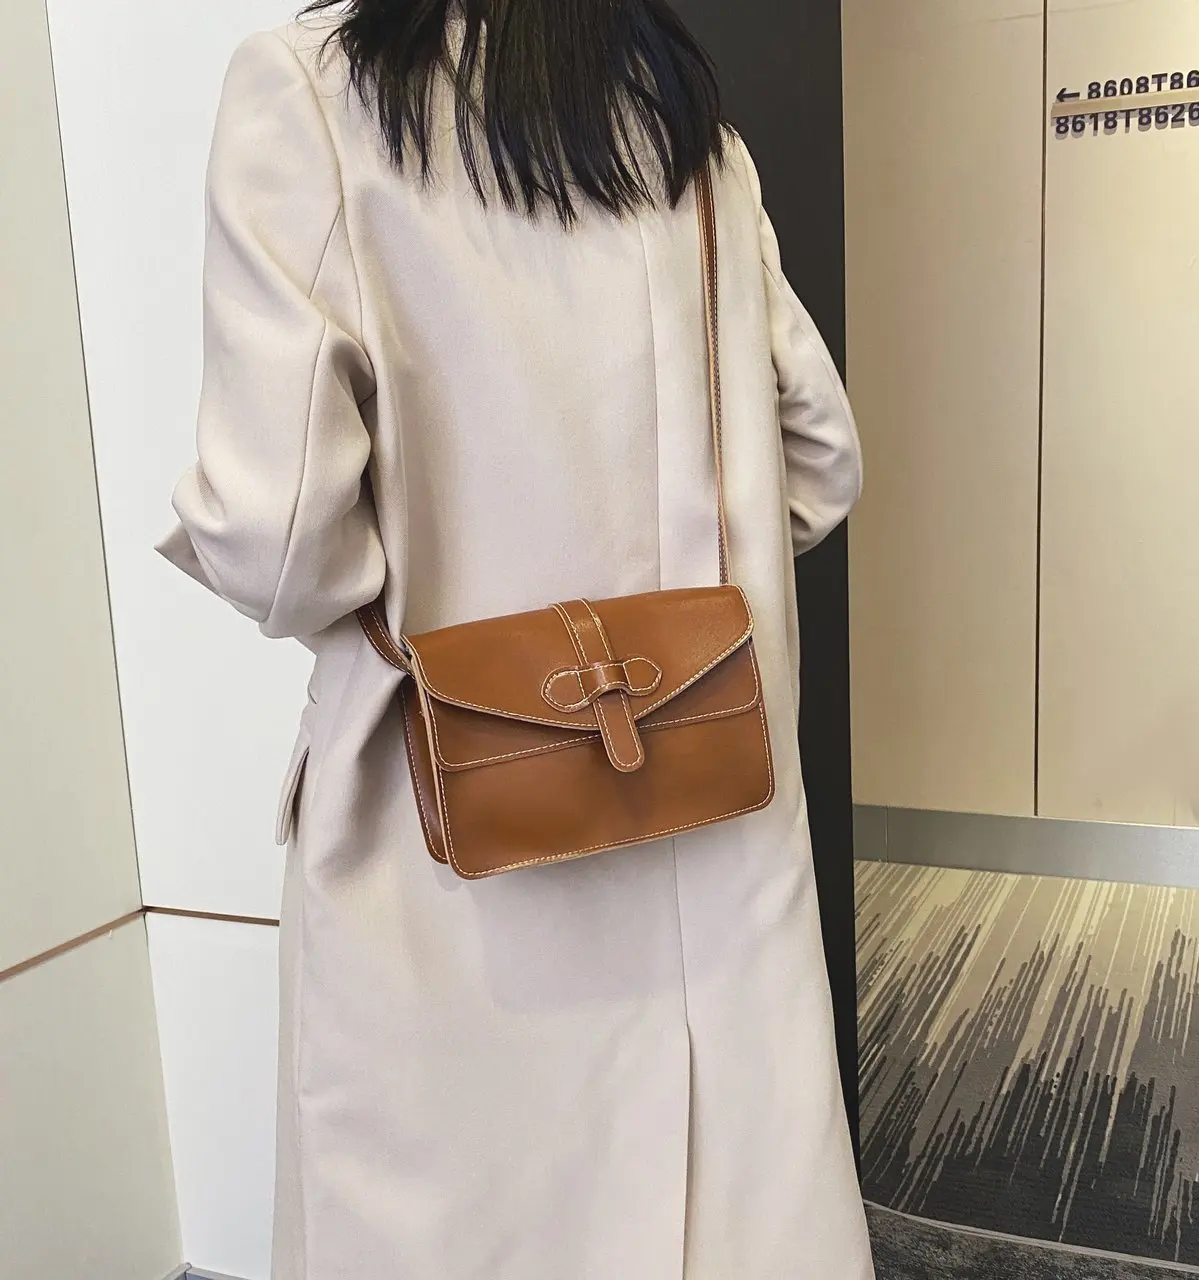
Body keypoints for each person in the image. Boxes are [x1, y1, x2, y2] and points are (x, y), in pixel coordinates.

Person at [158, 1, 874, 1276]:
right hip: (709, 817)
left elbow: (278, 539)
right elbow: (819, 463)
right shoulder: (687, 129)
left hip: (444, 848)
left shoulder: (310, 95)